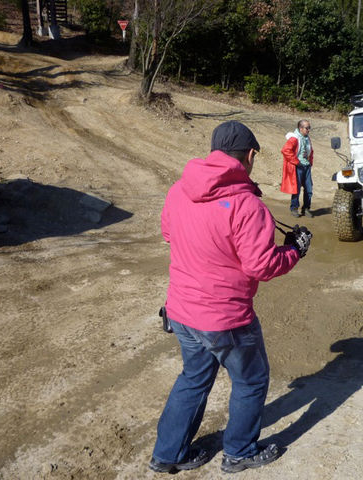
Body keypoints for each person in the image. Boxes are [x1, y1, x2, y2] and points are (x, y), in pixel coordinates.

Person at [150, 120, 311, 475]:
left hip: (181, 312)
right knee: (251, 380)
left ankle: (168, 454)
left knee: (193, 378)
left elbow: (168, 234)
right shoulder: (245, 204)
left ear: (213, 152)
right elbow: (261, 267)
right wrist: (295, 251)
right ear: (249, 155)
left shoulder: (178, 190)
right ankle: (239, 452)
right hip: (225, 320)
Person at [280, 120, 314, 218]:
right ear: (301, 128)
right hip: (298, 167)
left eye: (309, 128)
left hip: (306, 166)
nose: (308, 130)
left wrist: (310, 162)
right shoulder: (294, 138)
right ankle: (294, 208)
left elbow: (311, 151)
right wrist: (297, 162)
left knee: (309, 189)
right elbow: (285, 150)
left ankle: (306, 209)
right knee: (296, 189)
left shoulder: (307, 138)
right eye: (307, 128)